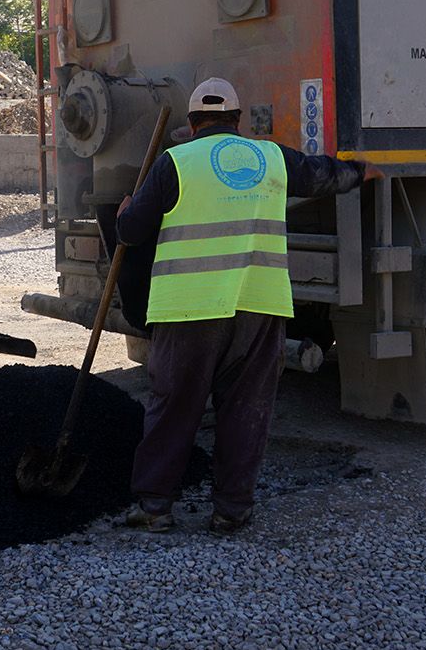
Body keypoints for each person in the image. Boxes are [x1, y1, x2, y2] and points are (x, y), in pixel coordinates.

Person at [112, 77, 381, 534]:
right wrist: (360, 171)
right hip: (259, 305)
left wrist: (124, 213)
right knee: (245, 408)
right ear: (238, 122)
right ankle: (231, 510)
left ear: (191, 124)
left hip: (189, 308)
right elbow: (322, 174)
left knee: (174, 406)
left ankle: (155, 507)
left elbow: (132, 232)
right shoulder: (271, 157)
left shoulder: (174, 162)